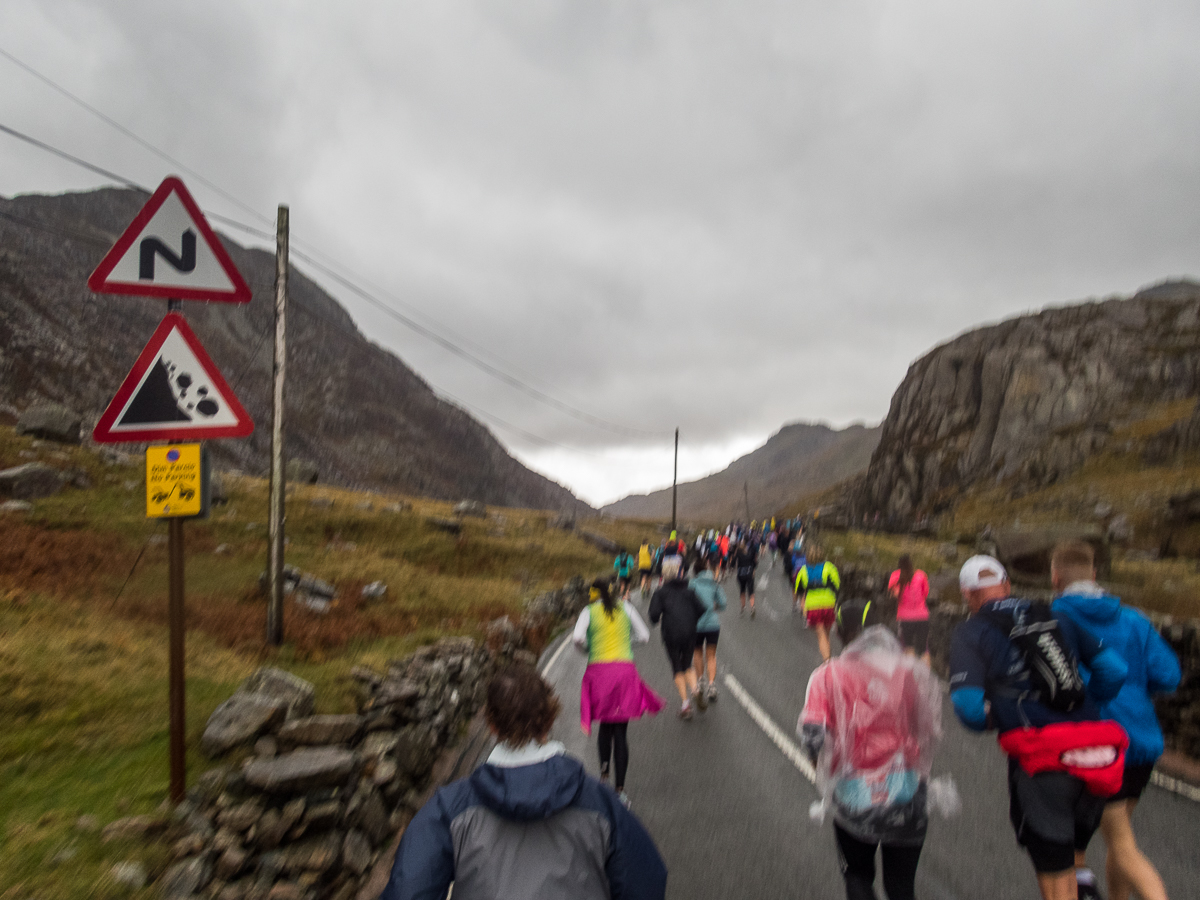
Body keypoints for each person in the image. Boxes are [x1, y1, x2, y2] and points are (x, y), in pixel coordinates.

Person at [383, 663, 668, 900]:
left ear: (492, 725)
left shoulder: (449, 809)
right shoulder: (601, 803)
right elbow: (646, 880)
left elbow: (408, 889)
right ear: (549, 719)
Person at [949, 555, 1129, 900]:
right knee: (1074, 868)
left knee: (1055, 880)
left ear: (969, 596)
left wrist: (1001, 717)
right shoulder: (1058, 616)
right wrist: (1083, 705)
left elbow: (968, 706)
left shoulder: (971, 631)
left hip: (1042, 761)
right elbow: (1114, 670)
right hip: (1098, 757)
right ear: (1007, 585)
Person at [1050, 541, 1181, 900]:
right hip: (1141, 740)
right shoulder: (1134, 619)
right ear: (1094, 574)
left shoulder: (1054, 621)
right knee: (1119, 837)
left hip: (1097, 744)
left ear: (1055, 578)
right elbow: (1168, 674)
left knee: (1121, 842)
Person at [799, 616, 943, 900]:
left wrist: (823, 772)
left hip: (854, 793)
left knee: (858, 875)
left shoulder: (827, 676)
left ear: (840, 632)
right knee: (901, 886)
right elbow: (928, 727)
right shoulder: (907, 673)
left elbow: (813, 734)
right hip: (906, 790)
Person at [573, 579, 664, 808]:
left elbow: (577, 638)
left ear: (592, 595)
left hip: (599, 672)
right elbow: (644, 636)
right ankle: (620, 791)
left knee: (605, 725)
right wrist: (627, 644)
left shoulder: (588, 611)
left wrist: (588, 649)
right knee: (621, 731)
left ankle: (604, 778)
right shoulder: (626, 607)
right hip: (624, 671)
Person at [649, 557, 707, 718]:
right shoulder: (689, 590)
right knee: (687, 665)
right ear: (679, 574)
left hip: (671, 634)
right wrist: (691, 620)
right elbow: (702, 609)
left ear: (664, 576)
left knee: (677, 667)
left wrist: (662, 616)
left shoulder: (660, 593)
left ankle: (686, 706)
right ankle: (695, 690)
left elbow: (653, 616)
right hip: (690, 632)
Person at [689, 555, 728, 703]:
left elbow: (687, 602)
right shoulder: (714, 583)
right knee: (711, 655)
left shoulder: (691, 584)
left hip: (696, 625)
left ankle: (700, 681)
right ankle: (712, 685)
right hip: (712, 624)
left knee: (697, 653)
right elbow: (723, 603)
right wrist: (713, 607)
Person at [796, 546, 840, 661]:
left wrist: (802, 604)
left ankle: (827, 661)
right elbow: (837, 585)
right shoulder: (830, 567)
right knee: (826, 634)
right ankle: (828, 657)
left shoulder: (803, 570)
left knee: (821, 635)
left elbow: (799, 590)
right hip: (828, 605)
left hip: (813, 606)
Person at [889, 554, 931, 665]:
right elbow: (925, 593)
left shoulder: (895, 576)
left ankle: (910, 677)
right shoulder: (921, 575)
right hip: (922, 617)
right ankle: (926, 677)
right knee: (924, 650)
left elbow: (894, 595)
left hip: (905, 618)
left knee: (908, 648)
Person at [733, 537, 759, 618]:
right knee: (751, 591)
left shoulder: (738, 553)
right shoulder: (750, 552)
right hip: (749, 573)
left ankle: (743, 607)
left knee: (742, 590)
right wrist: (753, 569)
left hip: (741, 574)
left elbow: (733, 563)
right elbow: (755, 562)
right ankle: (752, 606)